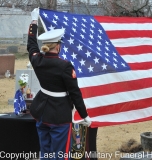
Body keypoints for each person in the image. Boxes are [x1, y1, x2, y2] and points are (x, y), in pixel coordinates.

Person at [27, 8, 91, 159]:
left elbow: (31, 44)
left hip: (41, 112)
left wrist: (34, 22)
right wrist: (84, 115)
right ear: (57, 46)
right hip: (58, 115)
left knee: (45, 152)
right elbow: (75, 93)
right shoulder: (65, 66)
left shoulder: (37, 60)